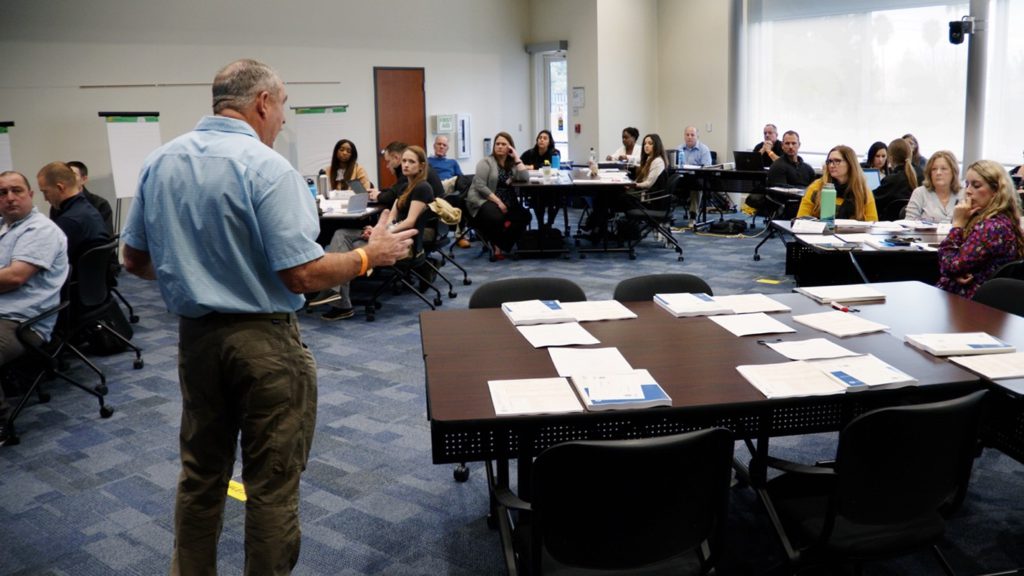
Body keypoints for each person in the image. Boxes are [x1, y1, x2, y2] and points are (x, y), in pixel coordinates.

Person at [120, 59, 414, 575]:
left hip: (195, 343)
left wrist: (200, 270)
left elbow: (136, 261)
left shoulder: (159, 161)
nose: (283, 119)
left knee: (200, 476)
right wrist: (374, 255)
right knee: (271, 484)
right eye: (283, 107)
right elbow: (301, 275)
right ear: (262, 102)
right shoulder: (267, 167)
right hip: (264, 346)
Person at [316, 145, 435, 320]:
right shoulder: (405, 187)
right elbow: (391, 216)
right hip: (390, 234)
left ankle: (338, 300)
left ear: (421, 166)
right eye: (404, 161)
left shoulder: (423, 187)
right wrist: (377, 229)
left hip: (403, 242)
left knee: (348, 245)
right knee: (341, 234)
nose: (406, 165)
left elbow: (410, 222)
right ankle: (335, 295)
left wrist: (382, 234)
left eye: (411, 162)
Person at [0, 171, 69, 443]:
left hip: (22, 322)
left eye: (16, 190)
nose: (10, 198)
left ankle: (2, 426)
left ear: (30, 195)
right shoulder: (5, 227)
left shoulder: (41, 230)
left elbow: (15, 277)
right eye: (2, 193)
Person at [937, 159, 1024, 299]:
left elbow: (950, 266)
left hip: (969, 304)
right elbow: (958, 266)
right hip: (974, 300)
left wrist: (957, 225)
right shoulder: (1001, 220)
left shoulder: (992, 227)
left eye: (976, 186)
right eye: (967, 184)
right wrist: (956, 272)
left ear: (996, 191)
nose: (968, 191)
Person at [466, 131, 529, 260]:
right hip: (484, 198)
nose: (500, 146)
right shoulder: (486, 162)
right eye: (497, 144)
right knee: (497, 217)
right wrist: (499, 202)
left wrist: (517, 158)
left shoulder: (511, 163)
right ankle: (496, 246)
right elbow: (480, 186)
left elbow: (524, 177)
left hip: (508, 200)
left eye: (503, 144)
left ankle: (501, 243)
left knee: (525, 216)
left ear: (510, 147)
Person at [37, 161, 111, 272]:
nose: (45, 199)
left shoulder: (69, 221)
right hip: (92, 282)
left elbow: (46, 261)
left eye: (45, 192)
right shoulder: (89, 209)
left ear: (60, 187)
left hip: (73, 283)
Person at [797, 145, 878, 221]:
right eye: (829, 161)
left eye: (837, 161)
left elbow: (872, 223)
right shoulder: (817, 187)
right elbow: (801, 219)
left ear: (850, 164)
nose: (831, 165)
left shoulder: (863, 191)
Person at [520, 129, 562, 228]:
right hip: (534, 186)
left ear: (549, 142)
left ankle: (550, 223)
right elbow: (519, 162)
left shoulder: (555, 152)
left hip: (551, 186)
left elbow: (552, 165)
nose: (541, 140)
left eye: (544, 138)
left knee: (558, 197)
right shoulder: (530, 153)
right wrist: (525, 166)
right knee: (537, 198)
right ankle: (540, 223)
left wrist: (532, 166)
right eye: (540, 138)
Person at [906, 151, 962, 222]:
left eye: (943, 169)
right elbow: (908, 223)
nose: (938, 173)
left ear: (954, 172)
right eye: (934, 169)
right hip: (924, 233)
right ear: (930, 173)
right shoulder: (920, 193)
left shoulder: (963, 194)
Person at [873, 138, 922, 219]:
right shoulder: (922, 175)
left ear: (890, 158)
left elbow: (872, 202)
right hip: (917, 226)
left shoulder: (891, 180)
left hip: (889, 227)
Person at [61, 161, 114, 236]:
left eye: (73, 175)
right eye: (66, 175)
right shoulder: (58, 206)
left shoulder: (100, 204)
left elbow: (107, 238)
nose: (68, 179)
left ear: (84, 179)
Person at [677, 126, 713, 221]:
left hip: (698, 179)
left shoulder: (704, 149)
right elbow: (675, 166)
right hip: (682, 178)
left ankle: (693, 215)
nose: (689, 137)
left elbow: (707, 168)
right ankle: (666, 215)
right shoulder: (679, 148)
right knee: (668, 182)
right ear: (684, 136)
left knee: (696, 186)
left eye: (692, 135)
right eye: (687, 135)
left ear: (697, 136)